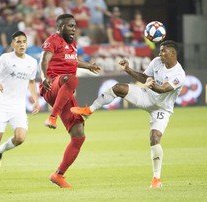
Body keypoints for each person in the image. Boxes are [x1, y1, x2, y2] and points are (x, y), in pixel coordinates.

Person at [71, 40, 186, 188]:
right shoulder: (157, 62)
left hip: (162, 109)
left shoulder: (179, 74)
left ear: (173, 53)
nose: (160, 53)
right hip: (147, 96)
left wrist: (152, 85)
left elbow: (163, 89)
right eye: (160, 50)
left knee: (155, 138)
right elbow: (145, 78)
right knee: (118, 88)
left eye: (163, 51)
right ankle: (89, 110)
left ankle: (156, 179)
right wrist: (128, 70)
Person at [39, 14, 101, 188]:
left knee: (79, 135)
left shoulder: (72, 43)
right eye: (69, 26)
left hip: (65, 91)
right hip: (52, 85)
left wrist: (88, 65)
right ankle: (52, 117)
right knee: (72, 80)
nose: (73, 29)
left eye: (74, 26)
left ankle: (58, 175)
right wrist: (44, 77)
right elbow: (44, 59)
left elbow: (72, 60)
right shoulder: (53, 40)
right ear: (59, 28)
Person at [0, 31, 40, 180]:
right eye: (18, 41)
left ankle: (0, 151)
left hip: (18, 106)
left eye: (24, 41)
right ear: (13, 44)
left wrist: (36, 99)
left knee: (20, 138)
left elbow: (31, 82)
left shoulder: (32, 62)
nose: (22, 44)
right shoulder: (5, 58)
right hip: (2, 104)